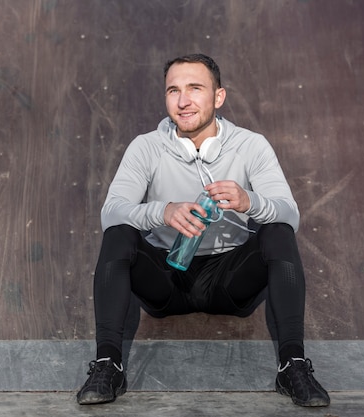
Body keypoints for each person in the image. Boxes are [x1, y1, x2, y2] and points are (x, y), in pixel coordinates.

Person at [76, 54, 330, 408]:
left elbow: (290, 213)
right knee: (119, 233)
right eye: (173, 91)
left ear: (218, 97)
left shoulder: (250, 145)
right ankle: (108, 365)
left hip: (230, 278)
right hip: (167, 275)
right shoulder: (146, 147)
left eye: (195, 88)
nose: (183, 101)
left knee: (278, 232)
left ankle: (292, 366)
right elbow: (111, 213)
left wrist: (249, 202)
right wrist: (161, 212)